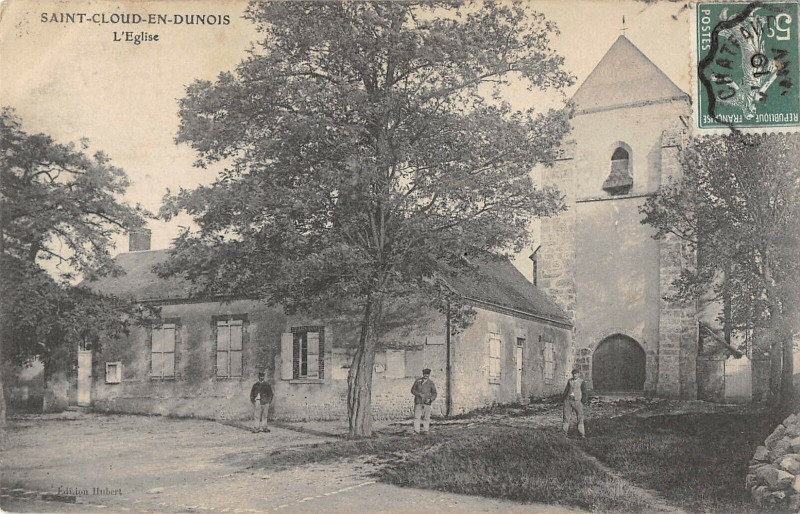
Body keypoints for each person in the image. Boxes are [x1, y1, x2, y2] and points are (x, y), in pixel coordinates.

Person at [562, 368, 588, 438]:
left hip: (577, 402)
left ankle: (582, 434)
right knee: (566, 417)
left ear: (579, 374)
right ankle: (564, 433)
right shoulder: (569, 381)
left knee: (580, 417)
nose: (574, 375)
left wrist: (582, 402)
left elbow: (584, 393)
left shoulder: (582, 382)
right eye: (573, 374)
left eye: (576, 374)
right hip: (568, 401)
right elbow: (566, 391)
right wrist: (564, 400)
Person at [411, 368, 437, 435]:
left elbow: (434, 393)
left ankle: (426, 430)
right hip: (418, 402)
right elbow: (412, 390)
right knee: (417, 417)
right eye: (425, 374)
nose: (426, 376)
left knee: (426, 417)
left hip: (427, 402)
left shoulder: (431, 383)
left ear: (429, 375)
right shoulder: (418, 381)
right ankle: (416, 431)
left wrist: (430, 399)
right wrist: (418, 394)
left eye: (428, 374)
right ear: (423, 374)